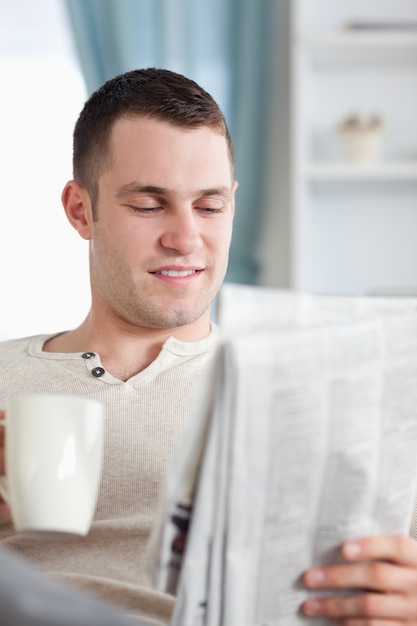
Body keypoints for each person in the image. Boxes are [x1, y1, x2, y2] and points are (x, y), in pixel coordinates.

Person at [1, 67, 417, 625]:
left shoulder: (309, 389)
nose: (186, 238)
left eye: (210, 205)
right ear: (81, 210)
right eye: (149, 205)